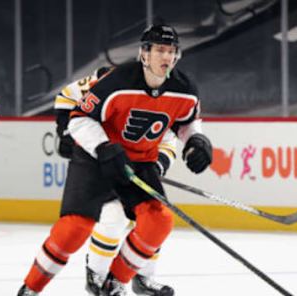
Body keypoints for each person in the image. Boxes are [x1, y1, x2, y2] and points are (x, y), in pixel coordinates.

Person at [18, 24, 212, 296]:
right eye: (159, 51)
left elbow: (187, 123)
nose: (165, 57)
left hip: (139, 162)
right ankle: (30, 288)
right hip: (95, 160)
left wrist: (196, 141)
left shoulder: (184, 89)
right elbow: (80, 118)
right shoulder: (116, 81)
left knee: (159, 221)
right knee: (75, 227)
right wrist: (102, 147)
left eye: (171, 51)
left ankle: (114, 282)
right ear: (144, 54)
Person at [54, 67, 177, 295]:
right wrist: (65, 132)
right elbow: (65, 98)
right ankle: (97, 277)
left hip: (138, 166)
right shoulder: (96, 85)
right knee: (113, 218)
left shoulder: (153, 98)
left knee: (153, 219)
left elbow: (169, 140)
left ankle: (144, 277)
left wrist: (155, 167)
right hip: (104, 164)